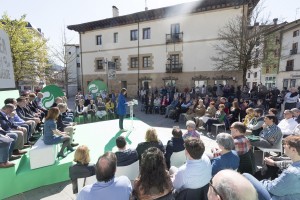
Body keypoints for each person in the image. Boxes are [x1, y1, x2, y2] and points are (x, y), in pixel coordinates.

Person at [244, 135, 300, 200]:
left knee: (246, 176)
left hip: (276, 196)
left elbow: (273, 189)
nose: (284, 146)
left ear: (293, 150)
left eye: (286, 144)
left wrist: (262, 182)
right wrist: (275, 160)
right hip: (289, 193)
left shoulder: (292, 173)